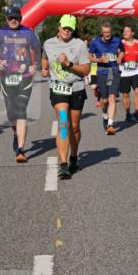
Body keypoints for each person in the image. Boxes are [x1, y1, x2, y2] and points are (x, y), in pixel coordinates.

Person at [41, 15, 91, 179]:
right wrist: (45, 68)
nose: (67, 31)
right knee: (63, 123)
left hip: (76, 88)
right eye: (65, 27)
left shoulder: (79, 45)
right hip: (58, 88)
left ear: (73, 29)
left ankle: (74, 156)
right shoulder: (48, 43)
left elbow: (86, 70)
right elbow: (44, 58)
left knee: (74, 127)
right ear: (59, 26)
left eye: (70, 28)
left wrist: (69, 64)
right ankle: (63, 165)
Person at [0, 5, 40, 163]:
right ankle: (16, 133)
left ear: (21, 18)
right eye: (10, 17)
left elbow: (38, 49)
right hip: (6, 77)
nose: (13, 20)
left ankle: (20, 149)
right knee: (12, 114)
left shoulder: (28, 32)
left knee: (21, 111)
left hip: (24, 77)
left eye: (16, 18)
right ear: (6, 18)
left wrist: (35, 65)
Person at [88, 22, 123, 135]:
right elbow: (90, 57)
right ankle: (105, 115)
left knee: (112, 98)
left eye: (109, 32)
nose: (107, 34)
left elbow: (122, 50)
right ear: (102, 32)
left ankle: (110, 125)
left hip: (114, 71)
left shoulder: (117, 40)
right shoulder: (95, 42)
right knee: (104, 100)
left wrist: (120, 58)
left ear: (111, 31)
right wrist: (99, 60)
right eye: (105, 33)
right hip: (102, 71)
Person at [119, 25, 138, 122]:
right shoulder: (120, 43)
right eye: (124, 31)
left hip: (136, 72)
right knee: (125, 95)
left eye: (127, 31)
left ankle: (137, 112)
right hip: (124, 73)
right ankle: (127, 113)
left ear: (132, 33)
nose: (125, 33)